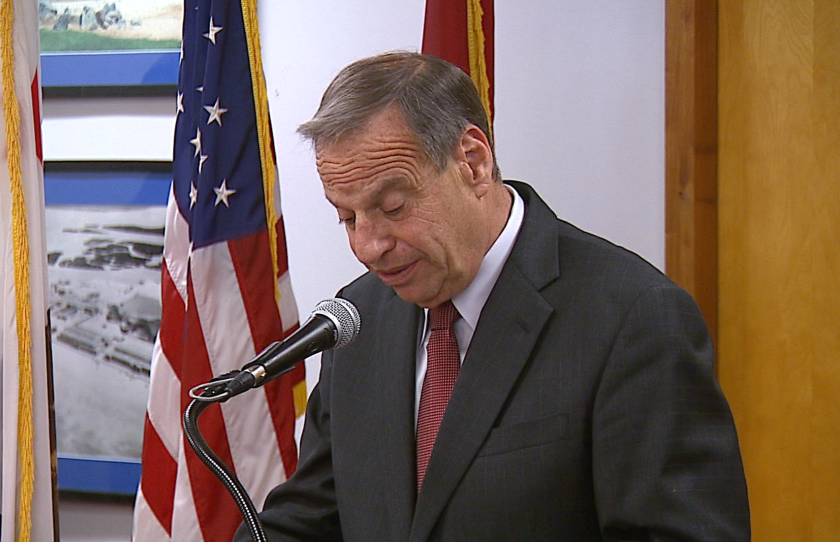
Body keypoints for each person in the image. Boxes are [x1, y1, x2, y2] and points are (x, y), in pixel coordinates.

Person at [236, 51, 749, 542]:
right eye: (346, 217)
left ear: (473, 162)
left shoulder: (634, 318)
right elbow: (311, 520)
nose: (368, 246)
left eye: (392, 207)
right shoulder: (359, 318)